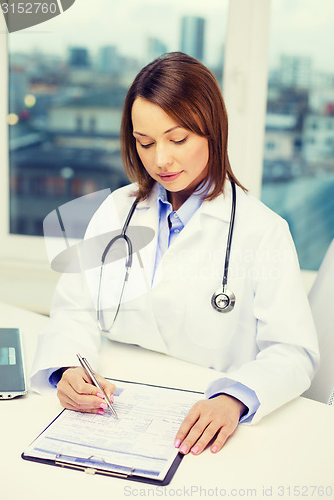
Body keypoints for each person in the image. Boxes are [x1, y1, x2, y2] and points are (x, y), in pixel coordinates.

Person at [30, 52, 319, 456]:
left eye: (178, 139)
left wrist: (234, 400)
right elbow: (73, 307)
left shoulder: (263, 231)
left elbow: (294, 352)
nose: (160, 160)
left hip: (205, 423)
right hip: (115, 409)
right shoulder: (117, 208)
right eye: (144, 142)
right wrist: (68, 368)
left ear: (212, 132)